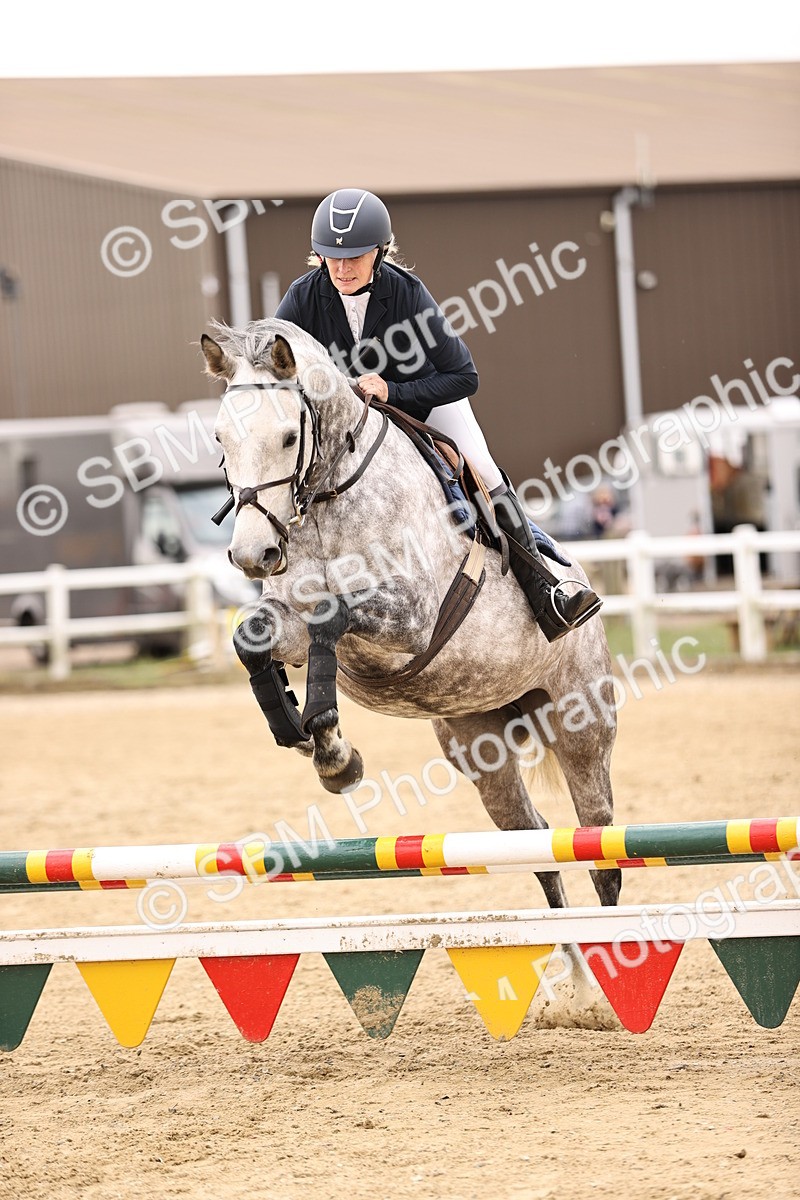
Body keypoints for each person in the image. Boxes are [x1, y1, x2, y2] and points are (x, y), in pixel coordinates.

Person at [275, 188, 601, 642]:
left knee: (482, 468)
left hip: (427, 402)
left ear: (379, 252)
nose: (343, 269)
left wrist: (394, 389)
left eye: (355, 257)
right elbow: (277, 370)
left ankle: (545, 591)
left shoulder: (407, 294)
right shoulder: (303, 298)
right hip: (351, 423)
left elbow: (464, 377)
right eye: (333, 257)